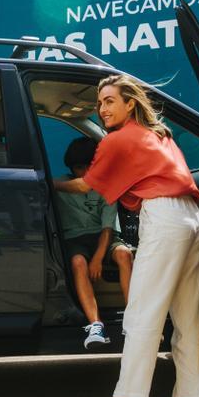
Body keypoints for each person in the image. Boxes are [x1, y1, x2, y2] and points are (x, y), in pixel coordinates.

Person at [54, 74, 199, 397]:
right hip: (194, 219)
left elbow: (84, 185)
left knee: (141, 314)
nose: (102, 108)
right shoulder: (161, 136)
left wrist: (46, 182)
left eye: (109, 101)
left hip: (165, 218)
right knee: (188, 317)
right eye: (100, 102)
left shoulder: (117, 139)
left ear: (130, 104)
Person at [54, 137, 134, 348]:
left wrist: (98, 258)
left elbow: (107, 228)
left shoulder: (107, 186)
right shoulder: (60, 184)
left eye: (91, 166)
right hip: (75, 239)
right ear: (72, 167)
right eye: (80, 167)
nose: (86, 172)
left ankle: (133, 318)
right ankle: (95, 325)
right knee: (78, 262)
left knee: (125, 254)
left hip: (103, 237)